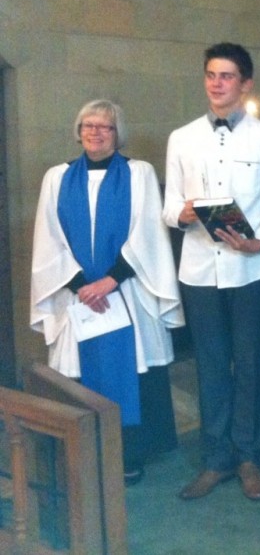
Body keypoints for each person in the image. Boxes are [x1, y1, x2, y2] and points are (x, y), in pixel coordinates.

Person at [30, 99, 183, 485]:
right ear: (78, 129)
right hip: (79, 299)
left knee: (131, 368)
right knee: (77, 374)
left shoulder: (138, 173)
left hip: (126, 293)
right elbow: (48, 240)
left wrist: (110, 280)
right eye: (88, 125)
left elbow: (149, 234)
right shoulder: (57, 177)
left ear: (118, 133)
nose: (95, 132)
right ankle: (82, 456)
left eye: (106, 127)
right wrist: (83, 286)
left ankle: (128, 454)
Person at [163, 42, 260, 502]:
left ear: (246, 83)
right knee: (212, 366)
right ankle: (216, 459)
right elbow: (169, 206)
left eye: (227, 76)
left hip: (250, 268)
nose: (217, 83)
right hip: (199, 270)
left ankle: (250, 457)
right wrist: (187, 213)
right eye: (211, 75)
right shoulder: (182, 137)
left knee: (250, 362)